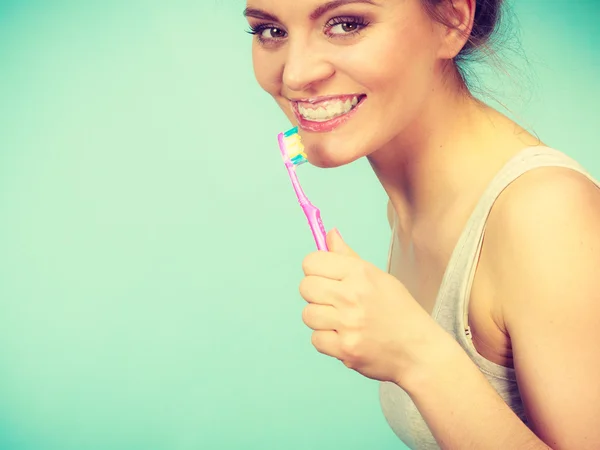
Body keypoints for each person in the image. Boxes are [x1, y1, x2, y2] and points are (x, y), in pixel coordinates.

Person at [244, 0, 600, 448]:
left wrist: (418, 356)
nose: (295, 74)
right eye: (270, 31)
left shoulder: (548, 216)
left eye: (346, 23)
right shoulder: (411, 204)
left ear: (452, 19)